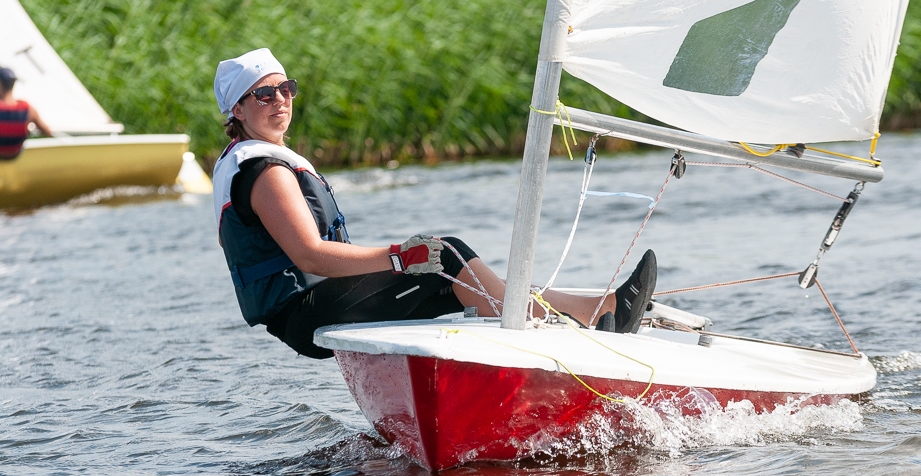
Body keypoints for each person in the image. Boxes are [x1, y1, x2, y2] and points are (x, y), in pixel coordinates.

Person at [212, 48, 657, 359]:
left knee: (451, 270)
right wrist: (400, 257)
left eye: (285, 88)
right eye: (264, 94)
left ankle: (584, 313)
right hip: (306, 314)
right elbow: (309, 254)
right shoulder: (264, 170)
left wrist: (403, 260)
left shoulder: (255, 161)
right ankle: (592, 315)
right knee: (446, 253)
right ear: (237, 110)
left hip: (314, 306)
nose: (281, 100)